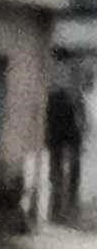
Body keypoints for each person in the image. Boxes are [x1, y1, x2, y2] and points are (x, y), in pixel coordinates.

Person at [48, 79, 85, 222]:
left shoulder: (59, 97)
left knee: (60, 175)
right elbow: (79, 123)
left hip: (61, 141)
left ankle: (61, 211)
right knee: (63, 175)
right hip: (64, 141)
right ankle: (62, 211)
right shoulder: (73, 98)